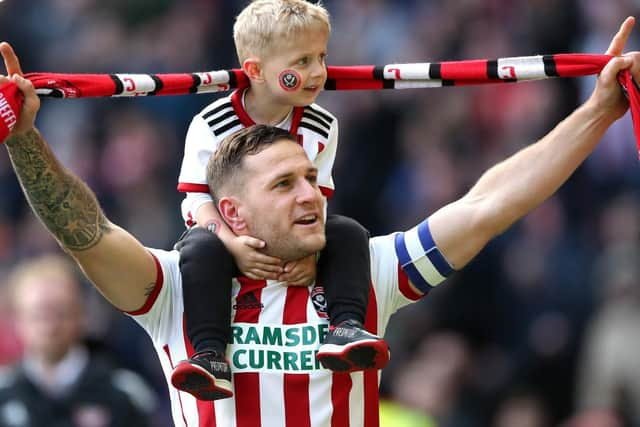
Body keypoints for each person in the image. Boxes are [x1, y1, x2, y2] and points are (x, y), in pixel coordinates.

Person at [0, 14, 638, 426]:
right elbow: (83, 231)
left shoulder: (365, 272)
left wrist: (599, 112)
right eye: (285, 184)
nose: (312, 194)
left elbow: (490, 202)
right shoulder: (177, 290)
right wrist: (24, 137)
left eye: (311, 177)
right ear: (231, 211)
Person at [173, 0, 388, 401]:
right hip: (225, 237)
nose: (318, 73)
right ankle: (209, 354)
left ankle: (346, 327)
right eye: (303, 61)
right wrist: (231, 244)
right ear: (255, 70)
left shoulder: (323, 125)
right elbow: (195, 200)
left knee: (347, 231)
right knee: (198, 248)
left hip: (291, 231)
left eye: (322, 57)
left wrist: (310, 249)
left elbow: (317, 197)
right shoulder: (211, 123)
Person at [0, 255, 156, 427]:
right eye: (39, 315)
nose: (50, 326)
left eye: (60, 313)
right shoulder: (4, 393)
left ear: (81, 315)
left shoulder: (123, 392)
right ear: (17, 319)